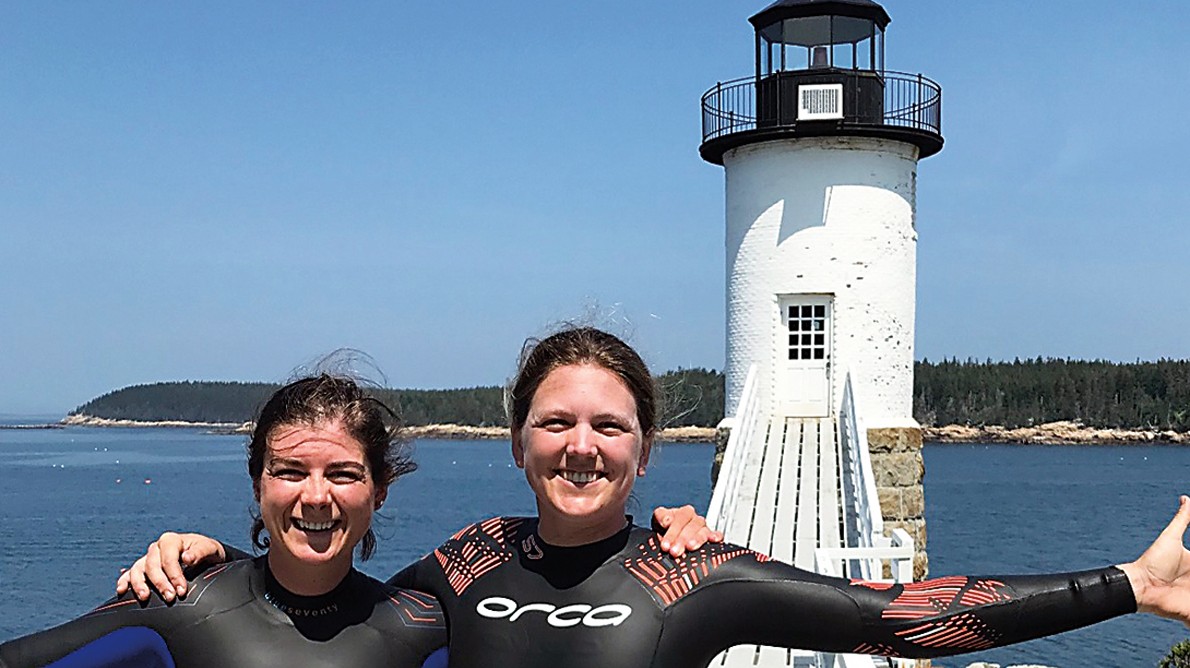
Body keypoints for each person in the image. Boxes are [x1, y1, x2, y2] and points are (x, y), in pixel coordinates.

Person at [116, 328, 1190, 667]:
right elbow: (321, 615)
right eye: (554, 421)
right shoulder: (462, 562)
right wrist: (222, 563)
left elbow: (904, 620)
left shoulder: (695, 567)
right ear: (516, 440)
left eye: (607, 425)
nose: (578, 446)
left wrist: (1123, 585)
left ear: (644, 450)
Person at [0, 375, 448, 668]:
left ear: (380, 490)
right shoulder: (180, 604)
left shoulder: (422, 629)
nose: (315, 497)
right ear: (258, 487)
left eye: (343, 474)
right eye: (290, 472)